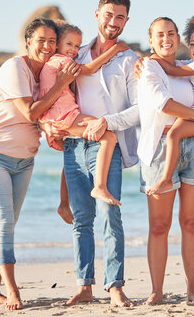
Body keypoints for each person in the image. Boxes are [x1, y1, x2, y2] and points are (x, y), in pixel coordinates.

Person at [0, 18, 80, 310]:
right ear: (28, 42)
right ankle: (13, 291)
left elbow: (45, 116)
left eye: (52, 41)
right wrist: (63, 83)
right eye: (40, 40)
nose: (47, 46)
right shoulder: (14, 67)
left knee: (4, 224)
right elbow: (30, 113)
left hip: (24, 160)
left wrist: (55, 129)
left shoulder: (45, 72)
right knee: (4, 222)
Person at [44, 0, 139, 307]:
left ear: (126, 20)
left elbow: (140, 109)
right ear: (97, 15)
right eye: (109, 14)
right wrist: (47, 125)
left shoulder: (130, 59)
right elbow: (53, 93)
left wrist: (107, 122)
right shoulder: (75, 54)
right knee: (81, 219)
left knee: (110, 214)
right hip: (73, 144)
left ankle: (115, 286)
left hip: (105, 144)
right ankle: (85, 286)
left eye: (120, 17)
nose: (114, 22)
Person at [136, 17, 194, 305]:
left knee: (191, 224)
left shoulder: (190, 66)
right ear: (151, 40)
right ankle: (156, 292)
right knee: (159, 226)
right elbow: (165, 104)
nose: (166, 39)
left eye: (171, 33)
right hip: (160, 148)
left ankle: (192, 291)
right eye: (159, 35)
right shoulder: (148, 67)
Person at [37, 23, 129, 209]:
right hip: (64, 115)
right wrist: (115, 49)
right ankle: (100, 187)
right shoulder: (60, 61)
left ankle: (64, 204)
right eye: (68, 44)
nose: (73, 50)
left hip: (61, 115)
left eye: (77, 46)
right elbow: (89, 69)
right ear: (57, 45)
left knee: (72, 158)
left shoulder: (52, 63)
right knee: (109, 137)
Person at [145, 11, 194, 196]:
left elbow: (174, 71)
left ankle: (165, 180)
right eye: (193, 44)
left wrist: (153, 59)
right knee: (175, 135)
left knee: (173, 136)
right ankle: (165, 179)